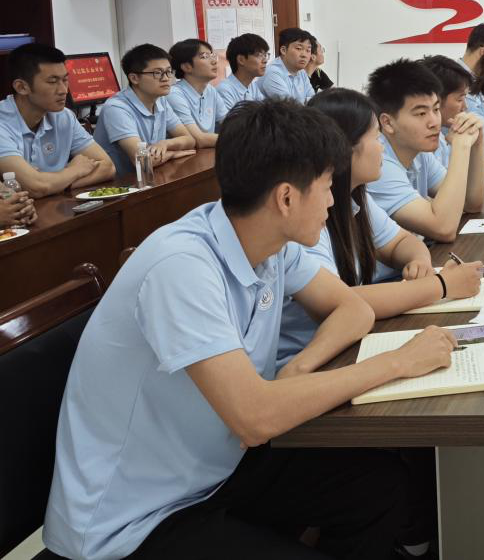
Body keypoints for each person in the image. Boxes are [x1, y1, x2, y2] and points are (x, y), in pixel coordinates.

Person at [43, 98, 458, 560]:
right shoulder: (182, 267)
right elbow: (256, 419)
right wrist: (398, 362)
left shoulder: (270, 242)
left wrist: (298, 368)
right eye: (326, 187)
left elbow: (353, 310)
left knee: (379, 486)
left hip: (216, 469)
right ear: (286, 198)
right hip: (134, 520)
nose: (332, 201)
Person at [278, 88, 483, 366]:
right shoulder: (304, 220)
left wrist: (419, 261)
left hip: (343, 345)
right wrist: (442, 285)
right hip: (316, 357)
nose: (382, 148)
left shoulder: (353, 197)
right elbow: (343, 302)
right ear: (344, 149)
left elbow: (400, 241)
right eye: (376, 138)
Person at [364, 59, 484, 243]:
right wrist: (461, 147)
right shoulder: (378, 164)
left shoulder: (419, 151)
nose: (435, 122)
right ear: (387, 122)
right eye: (421, 113)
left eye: (436, 109)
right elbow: (444, 228)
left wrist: (477, 145)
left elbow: (472, 203)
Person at [0, 43, 114, 197]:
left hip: (54, 205)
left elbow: (107, 167)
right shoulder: (2, 123)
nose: (63, 90)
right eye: (52, 82)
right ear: (21, 87)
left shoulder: (64, 116)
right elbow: (36, 187)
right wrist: (74, 170)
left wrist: (56, 184)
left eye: (65, 80)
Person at [97, 44, 196, 178]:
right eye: (157, 73)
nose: (166, 78)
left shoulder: (161, 100)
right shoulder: (116, 108)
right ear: (134, 78)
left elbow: (189, 140)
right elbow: (142, 161)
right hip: (120, 184)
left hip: (150, 178)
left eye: (168, 71)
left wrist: (166, 143)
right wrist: (172, 153)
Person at [167, 38, 226, 148]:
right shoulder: (174, 94)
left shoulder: (211, 90)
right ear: (186, 67)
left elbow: (230, 124)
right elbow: (199, 140)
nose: (214, 61)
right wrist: (240, 139)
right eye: (204, 56)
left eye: (212, 55)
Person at [420, 54, 476, 169]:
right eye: (460, 99)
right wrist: (460, 146)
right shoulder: (421, 145)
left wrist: (479, 143)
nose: (465, 107)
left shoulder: (441, 138)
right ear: (436, 99)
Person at [216, 32, 268, 118]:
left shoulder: (251, 85)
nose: (265, 60)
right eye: (259, 55)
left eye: (265, 55)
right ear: (241, 60)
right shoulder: (225, 90)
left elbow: (266, 112)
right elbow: (231, 124)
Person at [258, 27, 315, 103]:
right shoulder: (272, 73)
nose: (304, 55)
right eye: (298, 48)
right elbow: (289, 106)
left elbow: (314, 101)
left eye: (308, 50)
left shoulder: (302, 72)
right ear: (283, 50)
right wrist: (307, 102)